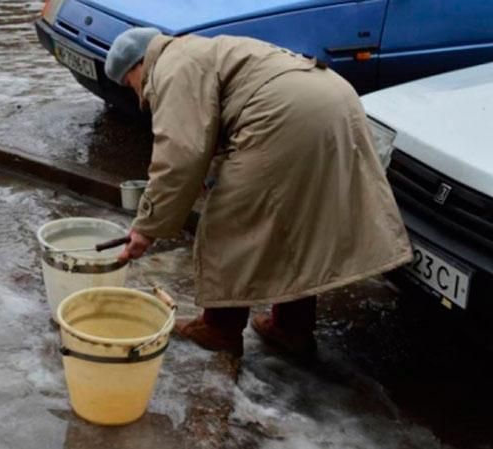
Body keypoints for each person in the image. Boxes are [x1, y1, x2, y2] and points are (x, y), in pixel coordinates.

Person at [105, 28, 412, 359]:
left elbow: (179, 156)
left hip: (288, 117)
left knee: (229, 223)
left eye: (129, 83)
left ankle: (220, 328)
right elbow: (209, 133)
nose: (136, 94)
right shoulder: (196, 49)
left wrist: (147, 227)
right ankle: (291, 328)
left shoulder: (170, 68)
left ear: (137, 66)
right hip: (334, 102)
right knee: (297, 220)